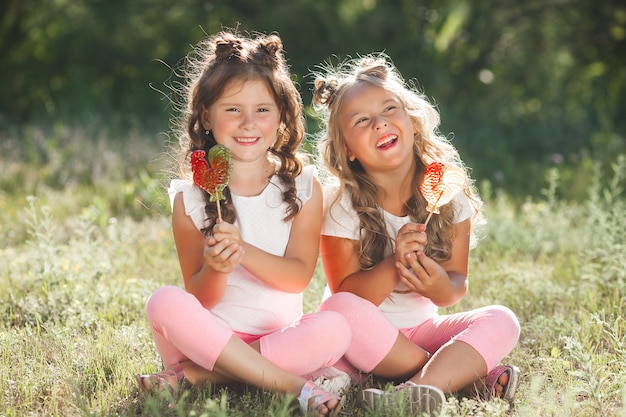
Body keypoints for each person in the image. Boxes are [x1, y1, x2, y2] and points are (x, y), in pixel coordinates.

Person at [136, 31, 351, 417]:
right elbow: (199, 299)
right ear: (206, 115)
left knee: (335, 328)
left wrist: (244, 252)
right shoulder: (191, 198)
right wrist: (217, 268)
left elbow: (298, 277)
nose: (248, 123)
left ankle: (199, 377)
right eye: (232, 109)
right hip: (208, 339)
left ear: (283, 114)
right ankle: (293, 385)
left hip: (278, 337)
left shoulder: (304, 187)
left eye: (263, 110)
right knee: (164, 302)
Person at [311, 54, 521, 414]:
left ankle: (415, 390)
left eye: (389, 109)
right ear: (347, 149)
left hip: (422, 329)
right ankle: (458, 376)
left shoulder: (447, 193)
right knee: (335, 310)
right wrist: (395, 263)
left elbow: (455, 286)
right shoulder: (339, 204)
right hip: (361, 340)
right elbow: (347, 296)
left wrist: (437, 282)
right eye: (361, 120)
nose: (379, 123)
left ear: (412, 119)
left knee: (502, 320)